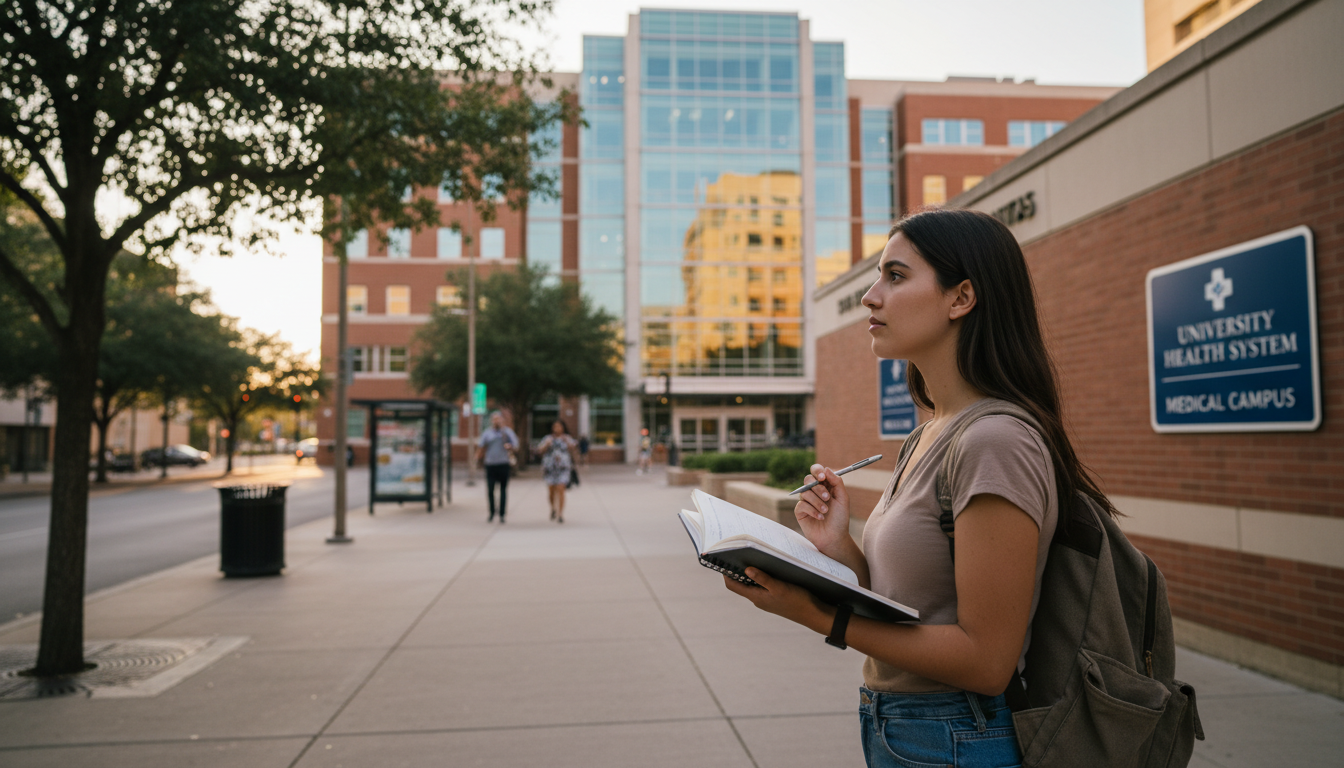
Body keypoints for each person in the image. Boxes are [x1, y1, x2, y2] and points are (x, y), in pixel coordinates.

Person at [720, 209, 1116, 768]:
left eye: (896, 276)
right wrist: (840, 547)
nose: (870, 298)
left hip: (957, 736)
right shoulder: (930, 432)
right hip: (903, 726)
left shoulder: (994, 441)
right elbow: (912, 608)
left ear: (962, 298)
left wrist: (817, 616)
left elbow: (986, 661)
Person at [477, 411, 517, 523]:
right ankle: (491, 512)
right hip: (490, 464)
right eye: (494, 419)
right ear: (491, 421)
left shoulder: (507, 433)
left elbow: (516, 445)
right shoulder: (487, 433)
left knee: (503, 490)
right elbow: (481, 447)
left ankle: (502, 514)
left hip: (503, 463)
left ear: (502, 420)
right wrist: (478, 459)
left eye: (498, 419)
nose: (496, 421)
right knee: (490, 490)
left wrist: (510, 446)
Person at [537, 419, 578, 523]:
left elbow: (574, 450)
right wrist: (546, 444)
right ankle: (553, 508)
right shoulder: (548, 438)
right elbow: (540, 450)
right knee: (551, 491)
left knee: (561, 489)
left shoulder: (567, 438)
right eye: (555, 426)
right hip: (550, 468)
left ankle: (560, 514)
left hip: (563, 468)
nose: (557, 428)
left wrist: (568, 443)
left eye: (559, 426)